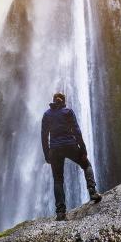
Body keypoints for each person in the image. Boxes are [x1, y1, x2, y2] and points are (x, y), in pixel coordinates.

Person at [41, 92, 102, 221]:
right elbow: (76, 130)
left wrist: (47, 154)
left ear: (53, 101)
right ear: (63, 101)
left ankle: (60, 212)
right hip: (70, 145)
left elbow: (44, 136)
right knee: (86, 165)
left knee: (58, 180)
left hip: (55, 149)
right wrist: (83, 150)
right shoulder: (68, 111)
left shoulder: (47, 115)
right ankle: (92, 192)